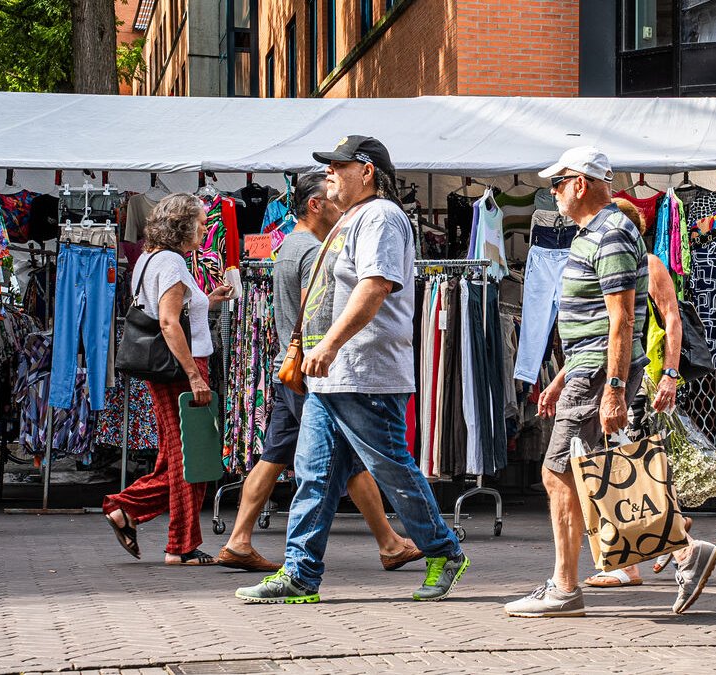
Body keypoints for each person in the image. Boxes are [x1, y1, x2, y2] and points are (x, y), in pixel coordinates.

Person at [235, 136, 468, 604]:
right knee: (314, 473)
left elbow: (375, 285)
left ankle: (444, 550)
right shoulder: (351, 219)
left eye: (337, 167)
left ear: (366, 171)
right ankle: (300, 573)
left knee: (390, 468)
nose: (329, 174)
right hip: (336, 374)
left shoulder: (380, 216)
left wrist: (330, 344)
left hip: (365, 371)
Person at [504, 147, 716, 618]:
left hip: (600, 374)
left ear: (580, 183)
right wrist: (563, 376)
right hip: (589, 370)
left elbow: (622, 320)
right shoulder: (596, 233)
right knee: (608, 472)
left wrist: (614, 389)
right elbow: (597, 324)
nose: (553, 193)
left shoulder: (612, 233)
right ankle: (684, 551)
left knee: (558, 472)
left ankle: (564, 588)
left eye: (557, 184)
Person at [218, 173, 421, 573]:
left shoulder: (287, 247)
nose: (337, 205)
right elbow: (321, 312)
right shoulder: (314, 251)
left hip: (289, 366)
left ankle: (239, 539)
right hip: (312, 368)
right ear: (314, 205)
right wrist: (333, 348)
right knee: (349, 459)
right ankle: (389, 543)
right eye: (329, 198)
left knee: (274, 456)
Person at [104, 193, 233, 565]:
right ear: (182, 225)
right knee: (193, 457)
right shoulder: (173, 263)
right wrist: (195, 376)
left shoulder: (150, 258)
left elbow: (170, 309)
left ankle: (127, 510)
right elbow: (168, 322)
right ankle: (180, 545)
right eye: (201, 223)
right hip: (181, 369)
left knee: (175, 456)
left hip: (167, 368)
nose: (205, 229)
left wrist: (207, 300)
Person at [581, 198, 691, 588]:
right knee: (621, 468)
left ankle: (672, 548)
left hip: (637, 378)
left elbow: (672, 319)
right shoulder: (609, 263)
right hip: (616, 375)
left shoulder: (649, 263)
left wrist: (670, 375)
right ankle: (641, 553)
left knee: (631, 469)